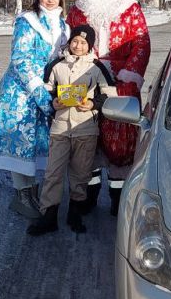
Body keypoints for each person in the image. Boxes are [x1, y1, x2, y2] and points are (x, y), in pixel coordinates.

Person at [0, 0, 69, 219]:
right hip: (20, 90)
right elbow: (19, 58)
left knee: (36, 142)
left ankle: (32, 191)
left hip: (46, 89)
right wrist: (37, 87)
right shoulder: (27, 20)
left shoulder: (63, 25)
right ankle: (22, 195)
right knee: (21, 142)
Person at [66, 0, 150, 216]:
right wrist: (70, 67)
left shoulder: (130, 7)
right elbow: (66, 42)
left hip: (119, 82)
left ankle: (118, 197)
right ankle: (87, 195)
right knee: (83, 134)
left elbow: (141, 43)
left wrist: (128, 74)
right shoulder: (78, 9)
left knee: (120, 141)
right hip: (83, 77)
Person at [27, 24, 115, 236]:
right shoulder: (56, 65)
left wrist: (93, 104)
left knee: (80, 174)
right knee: (53, 173)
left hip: (85, 129)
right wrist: (54, 102)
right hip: (60, 128)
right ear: (69, 42)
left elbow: (110, 93)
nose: (78, 45)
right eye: (75, 41)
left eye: (83, 43)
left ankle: (74, 213)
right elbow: (47, 90)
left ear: (90, 46)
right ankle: (48, 216)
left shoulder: (97, 67)